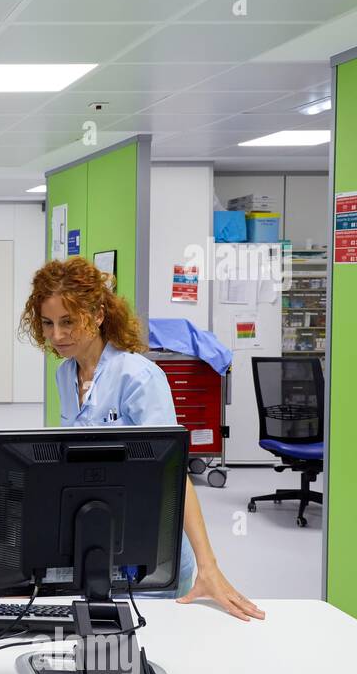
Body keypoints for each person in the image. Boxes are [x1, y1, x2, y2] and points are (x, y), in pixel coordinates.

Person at [19, 257, 264, 622]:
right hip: (97, 534)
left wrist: (207, 566)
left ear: (98, 314)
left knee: (149, 645)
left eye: (68, 322)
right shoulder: (64, 374)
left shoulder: (139, 377)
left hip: (149, 546)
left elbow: (174, 473)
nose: (56, 335)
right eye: (48, 323)